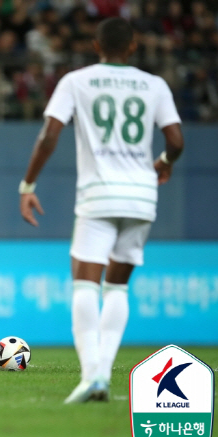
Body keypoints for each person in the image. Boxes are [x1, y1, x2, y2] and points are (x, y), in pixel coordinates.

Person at [18, 18, 184, 403]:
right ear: (132, 47)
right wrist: (162, 162)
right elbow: (176, 140)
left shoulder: (76, 81)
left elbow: (50, 134)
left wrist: (28, 184)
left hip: (99, 193)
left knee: (84, 283)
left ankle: (92, 374)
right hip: (142, 196)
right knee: (118, 287)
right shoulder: (154, 85)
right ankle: (103, 374)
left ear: (96, 46)